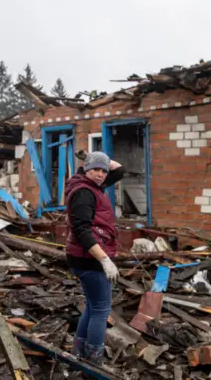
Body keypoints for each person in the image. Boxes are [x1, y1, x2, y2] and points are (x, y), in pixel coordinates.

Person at [65, 151, 124, 365]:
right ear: (85, 169)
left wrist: (99, 158)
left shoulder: (91, 185)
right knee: (101, 310)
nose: (100, 174)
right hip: (89, 258)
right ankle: (94, 359)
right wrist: (104, 260)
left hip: (83, 257)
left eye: (103, 170)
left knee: (92, 307)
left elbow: (121, 171)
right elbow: (82, 231)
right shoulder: (84, 193)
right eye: (95, 169)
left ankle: (79, 352)